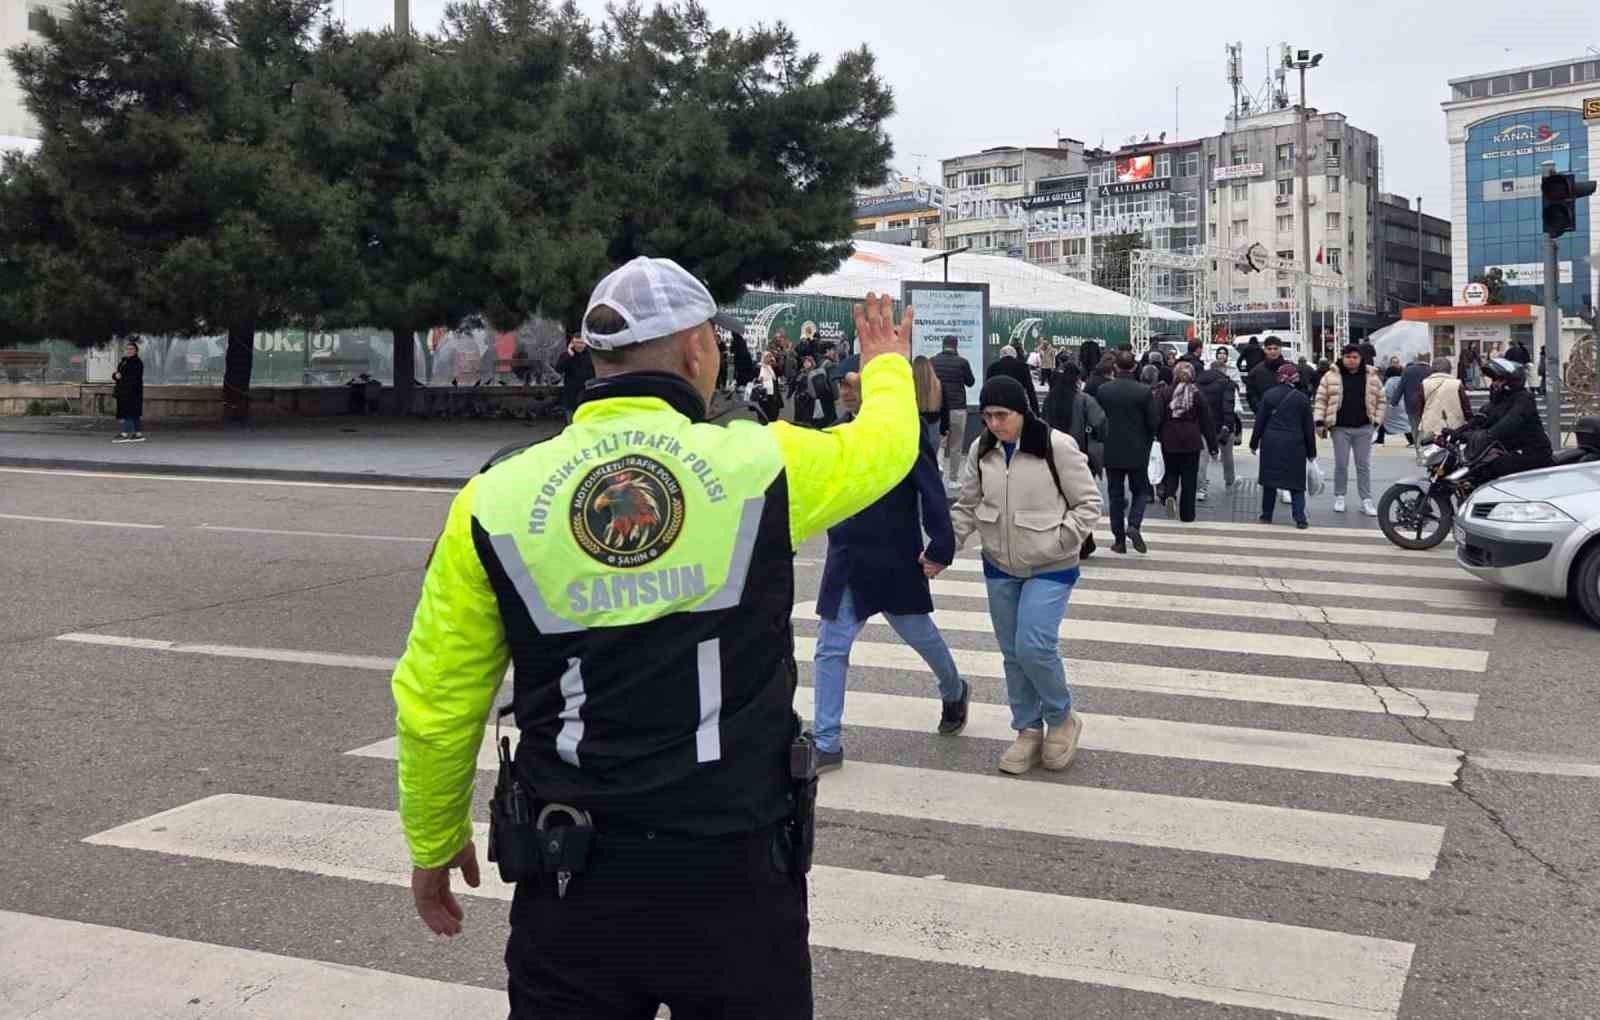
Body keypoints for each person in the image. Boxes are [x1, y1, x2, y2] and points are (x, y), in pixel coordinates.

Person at [391, 260, 921, 1018]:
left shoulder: (495, 496)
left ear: (596, 359)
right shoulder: (759, 465)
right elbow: (886, 447)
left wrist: (433, 837)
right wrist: (887, 370)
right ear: (699, 351)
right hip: (736, 871)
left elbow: (436, 700)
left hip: (571, 874)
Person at [813, 373, 966, 774]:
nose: (843, 391)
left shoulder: (903, 433)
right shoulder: (836, 435)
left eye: (850, 383)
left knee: (920, 634)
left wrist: (941, 546)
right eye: (840, 384)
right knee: (831, 646)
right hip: (846, 554)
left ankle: (954, 689)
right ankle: (827, 740)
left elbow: (931, 490)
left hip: (894, 553)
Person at [950, 375, 1101, 775]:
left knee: (1034, 645)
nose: (993, 423)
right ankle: (1028, 729)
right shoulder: (982, 449)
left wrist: (1061, 541)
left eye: (1001, 415)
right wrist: (941, 548)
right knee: (1013, 654)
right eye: (987, 416)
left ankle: (1061, 717)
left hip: (1051, 565)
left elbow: (1088, 504)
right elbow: (967, 505)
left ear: (1022, 411)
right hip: (999, 564)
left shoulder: (1056, 446)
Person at [1097, 350, 1158, 554]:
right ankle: (1133, 524)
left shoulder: (1105, 390)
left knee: (1115, 495)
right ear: (1134, 367)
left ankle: (1119, 540)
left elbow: (1099, 419)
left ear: (1115, 367)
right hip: (1137, 449)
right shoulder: (1144, 391)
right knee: (1140, 490)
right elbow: (1153, 422)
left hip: (1112, 449)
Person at [1312, 344, 1385, 516]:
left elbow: (1382, 400)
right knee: (1341, 465)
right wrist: (1320, 422)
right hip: (1340, 428)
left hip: (1364, 427)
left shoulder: (1372, 376)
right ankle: (1340, 496)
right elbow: (1321, 400)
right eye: (1348, 357)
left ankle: (1366, 500)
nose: (1351, 360)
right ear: (1342, 358)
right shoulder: (1330, 376)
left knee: (1363, 465)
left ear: (1360, 359)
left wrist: (1376, 423)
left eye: (1355, 357)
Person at [1042, 361, 1105, 559]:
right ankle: (1084, 541)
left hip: (1050, 454)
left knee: (1058, 499)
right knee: (1080, 501)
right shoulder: (1084, 400)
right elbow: (1100, 423)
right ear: (1077, 379)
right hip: (1078, 454)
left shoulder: (1050, 399)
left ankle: (1063, 540)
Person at [1461, 357, 1553, 482]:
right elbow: (1480, 419)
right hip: (1512, 450)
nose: (1494, 383)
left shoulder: (1524, 399)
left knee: (1493, 467)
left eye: (1499, 379)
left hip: (1535, 452)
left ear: (1512, 380)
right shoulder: (1497, 402)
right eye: (1493, 380)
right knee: (1476, 468)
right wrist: (1457, 433)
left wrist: (1487, 436)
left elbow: (1510, 421)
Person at [1252, 362, 1316, 529]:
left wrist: (1253, 443)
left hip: (1271, 442)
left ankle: (1266, 515)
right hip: (1295, 443)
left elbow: (1260, 421)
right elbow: (1309, 428)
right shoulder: (1302, 399)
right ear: (1294, 378)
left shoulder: (1269, 395)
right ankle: (1300, 518)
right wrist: (1311, 452)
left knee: (1269, 481)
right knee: (1296, 483)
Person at [1154, 362, 1218, 522]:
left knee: (1171, 472)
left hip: (1169, 438)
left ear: (1174, 374)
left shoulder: (1164, 393)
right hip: (1191, 439)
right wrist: (1213, 446)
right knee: (1189, 477)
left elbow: (1156, 417)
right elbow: (1207, 421)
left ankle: (1170, 495)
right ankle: (1187, 515)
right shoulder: (1197, 394)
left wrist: (1155, 435)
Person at [931, 335, 976, 487]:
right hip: (958, 408)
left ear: (942, 345)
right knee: (956, 445)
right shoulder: (962, 362)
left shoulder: (933, 361)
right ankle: (953, 479)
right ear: (956, 346)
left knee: (939, 443)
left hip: (938, 408)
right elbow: (970, 382)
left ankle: (937, 472)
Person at [1194, 347, 1238, 501]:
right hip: (1222, 425)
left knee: (1202, 458)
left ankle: (1200, 489)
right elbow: (1229, 406)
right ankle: (1229, 481)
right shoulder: (1227, 383)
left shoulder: (1198, 383)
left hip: (1203, 426)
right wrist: (1228, 424)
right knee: (1227, 456)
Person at [1417, 356, 1472, 446]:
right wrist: (1469, 422)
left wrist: (1423, 419)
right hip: (1454, 427)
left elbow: (1420, 407)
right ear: (1449, 369)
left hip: (1430, 427)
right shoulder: (1457, 383)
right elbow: (1466, 406)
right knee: (1452, 452)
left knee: (1430, 453)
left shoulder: (1424, 384)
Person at [985, 344, 1039, 413]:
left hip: (998, 405)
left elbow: (987, 390)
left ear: (1001, 355)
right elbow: (1030, 390)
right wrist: (1036, 411)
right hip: (1017, 406)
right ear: (1015, 355)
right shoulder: (1023, 367)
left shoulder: (992, 367)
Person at [554, 335, 595, 421]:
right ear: (572, 343)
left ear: (586, 343)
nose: (579, 345)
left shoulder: (591, 356)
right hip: (571, 394)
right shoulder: (567, 355)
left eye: (581, 343)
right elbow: (558, 369)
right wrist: (569, 355)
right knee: (571, 421)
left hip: (587, 394)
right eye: (577, 342)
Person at [1245, 336, 1291, 413]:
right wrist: (1260, 410)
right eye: (1269, 349)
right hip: (1265, 417)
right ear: (1265, 350)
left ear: (1280, 349)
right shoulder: (1255, 372)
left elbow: (1300, 391)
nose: (1273, 351)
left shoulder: (1290, 369)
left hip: (1289, 416)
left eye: (1275, 348)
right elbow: (1251, 395)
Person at [111, 340, 146, 442]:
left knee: (129, 412)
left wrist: (121, 377)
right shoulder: (124, 361)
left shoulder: (137, 363)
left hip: (133, 392)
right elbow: (117, 374)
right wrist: (115, 376)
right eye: (128, 349)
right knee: (134, 413)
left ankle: (125, 434)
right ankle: (138, 434)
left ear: (136, 351)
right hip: (123, 391)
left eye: (132, 349)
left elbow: (134, 378)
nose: (129, 351)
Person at [912, 355, 944, 450]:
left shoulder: (909, 384)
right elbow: (944, 406)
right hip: (933, 425)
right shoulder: (937, 385)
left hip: (914, 426)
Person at [1378, 372, 1412, 447]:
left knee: (1383, 423)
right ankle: (1412, 440)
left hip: (1391, 407)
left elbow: (1387, 393)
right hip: (1402, 405)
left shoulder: (1390, 381)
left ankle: (1380, 440)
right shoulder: (1402, 380)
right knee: (1404, 424)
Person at [756, 350, 784, 422]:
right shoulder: (759, 367)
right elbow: (755, 378)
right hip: (763, 393)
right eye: (767, 357)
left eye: (770, 356)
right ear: (763, 358)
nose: (768, 358)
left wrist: (775, 364)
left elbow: (780, 373)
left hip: (774, 393)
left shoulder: (772, 367)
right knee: (764, 412)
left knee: (774, 412)